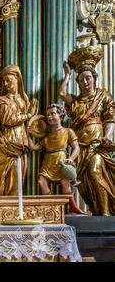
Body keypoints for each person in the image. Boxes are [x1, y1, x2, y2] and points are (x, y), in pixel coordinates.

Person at [59, 45, 115, 215]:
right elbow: (62, 93)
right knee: (84, 183)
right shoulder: (76, 102)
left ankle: (106, 213)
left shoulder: (103, 95)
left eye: (88, 78)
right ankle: (96, 210)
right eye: (82, 79)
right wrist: (68, 75)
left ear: (94, 78)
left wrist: (107, 136)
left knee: (95, 171)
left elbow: (110, 118)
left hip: (97, 144)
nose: (85, 82)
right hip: (80, 147)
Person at [27, 104, 86, 214]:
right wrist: (29, 135)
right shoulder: (47, 136)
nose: (49, 117)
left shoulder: (68, 131)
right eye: (48, 115)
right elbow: (33, 147)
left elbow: (76, 148)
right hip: (48, 163)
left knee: (65, 183)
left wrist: (71, 159)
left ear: (60, 115)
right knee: (41, 181)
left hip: (61, 162)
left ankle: (72, 206)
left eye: (53, 113)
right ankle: (51, 206)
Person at [0, 65, 38, 196]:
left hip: (21, 142)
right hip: (7, 142)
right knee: (6, 175)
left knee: (19, 175)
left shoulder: (24, 100)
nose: (6, 84)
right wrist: (28, 115)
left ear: (17, 79)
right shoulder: (2, 100)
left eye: (9, 80)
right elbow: (8, 120)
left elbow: (29, 125)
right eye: (4, 81)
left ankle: (14, 207)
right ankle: (4, 206)